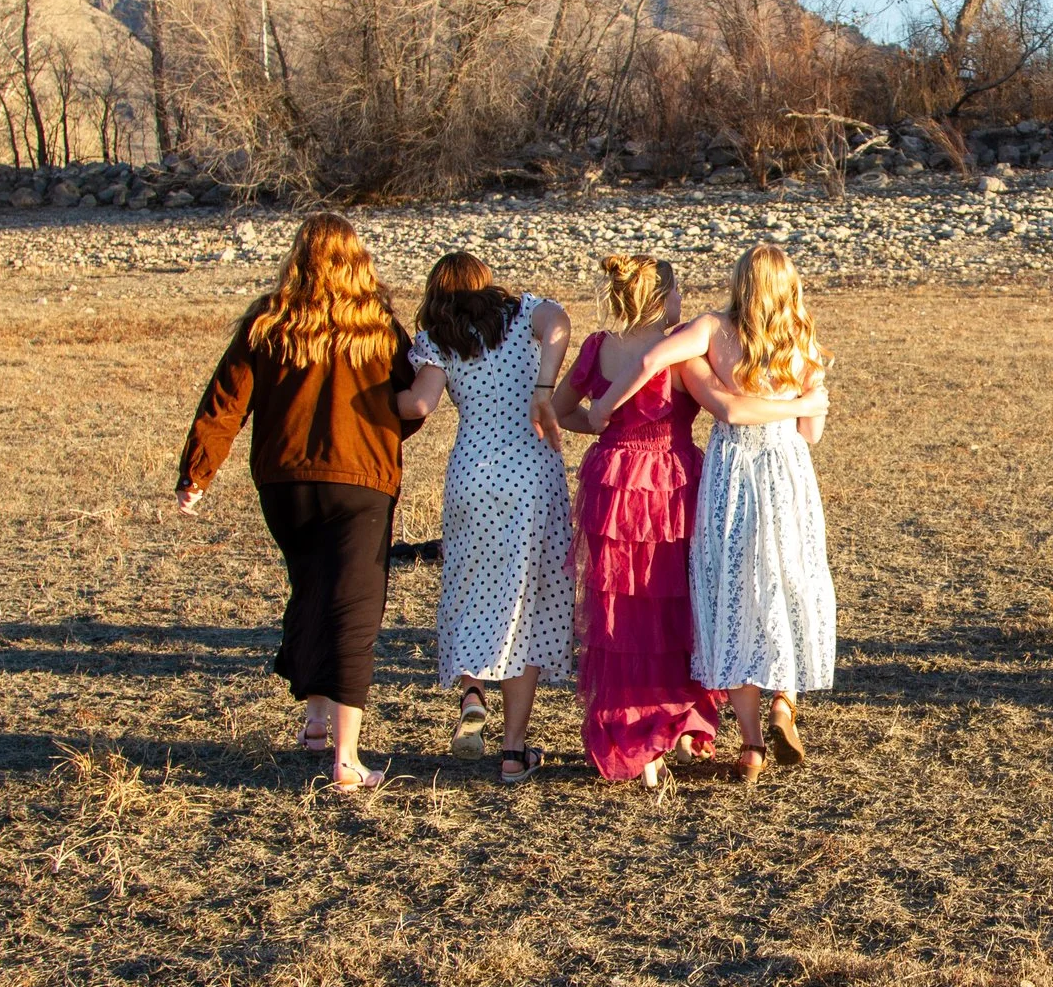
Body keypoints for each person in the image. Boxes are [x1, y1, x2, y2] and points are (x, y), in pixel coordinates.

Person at [552, 255, 827, 790]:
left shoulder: (664, 338)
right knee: (729, 595)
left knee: (645, 606)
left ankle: (707, 737)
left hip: (628, 478)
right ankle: (745, 712)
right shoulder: (787, 344)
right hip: (699, 481)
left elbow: (577, 404)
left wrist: (601, 417)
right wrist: (804, 401)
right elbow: (773, 421)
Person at [177, 213, 423, 793]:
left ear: (298, 257)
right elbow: (410, 401)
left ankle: (316, 721)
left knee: (311, 587)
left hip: (283, 482)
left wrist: (197, 473)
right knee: (354, 612)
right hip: (360, 481)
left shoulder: (269, 320)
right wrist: (377, 438)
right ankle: (346, 758)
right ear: (358, 260)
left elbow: (225, 401)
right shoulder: (378, 327)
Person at [396, 253, 575, 785]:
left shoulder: (438, 338)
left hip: (472, 477)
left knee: (472, 589)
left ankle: (473, 689)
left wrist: (366, 398)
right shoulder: (524, 315)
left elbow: (420, 406)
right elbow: (560, 323)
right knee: (528, 604)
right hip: (531, 474)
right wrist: (544, 387)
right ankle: (514, 751)